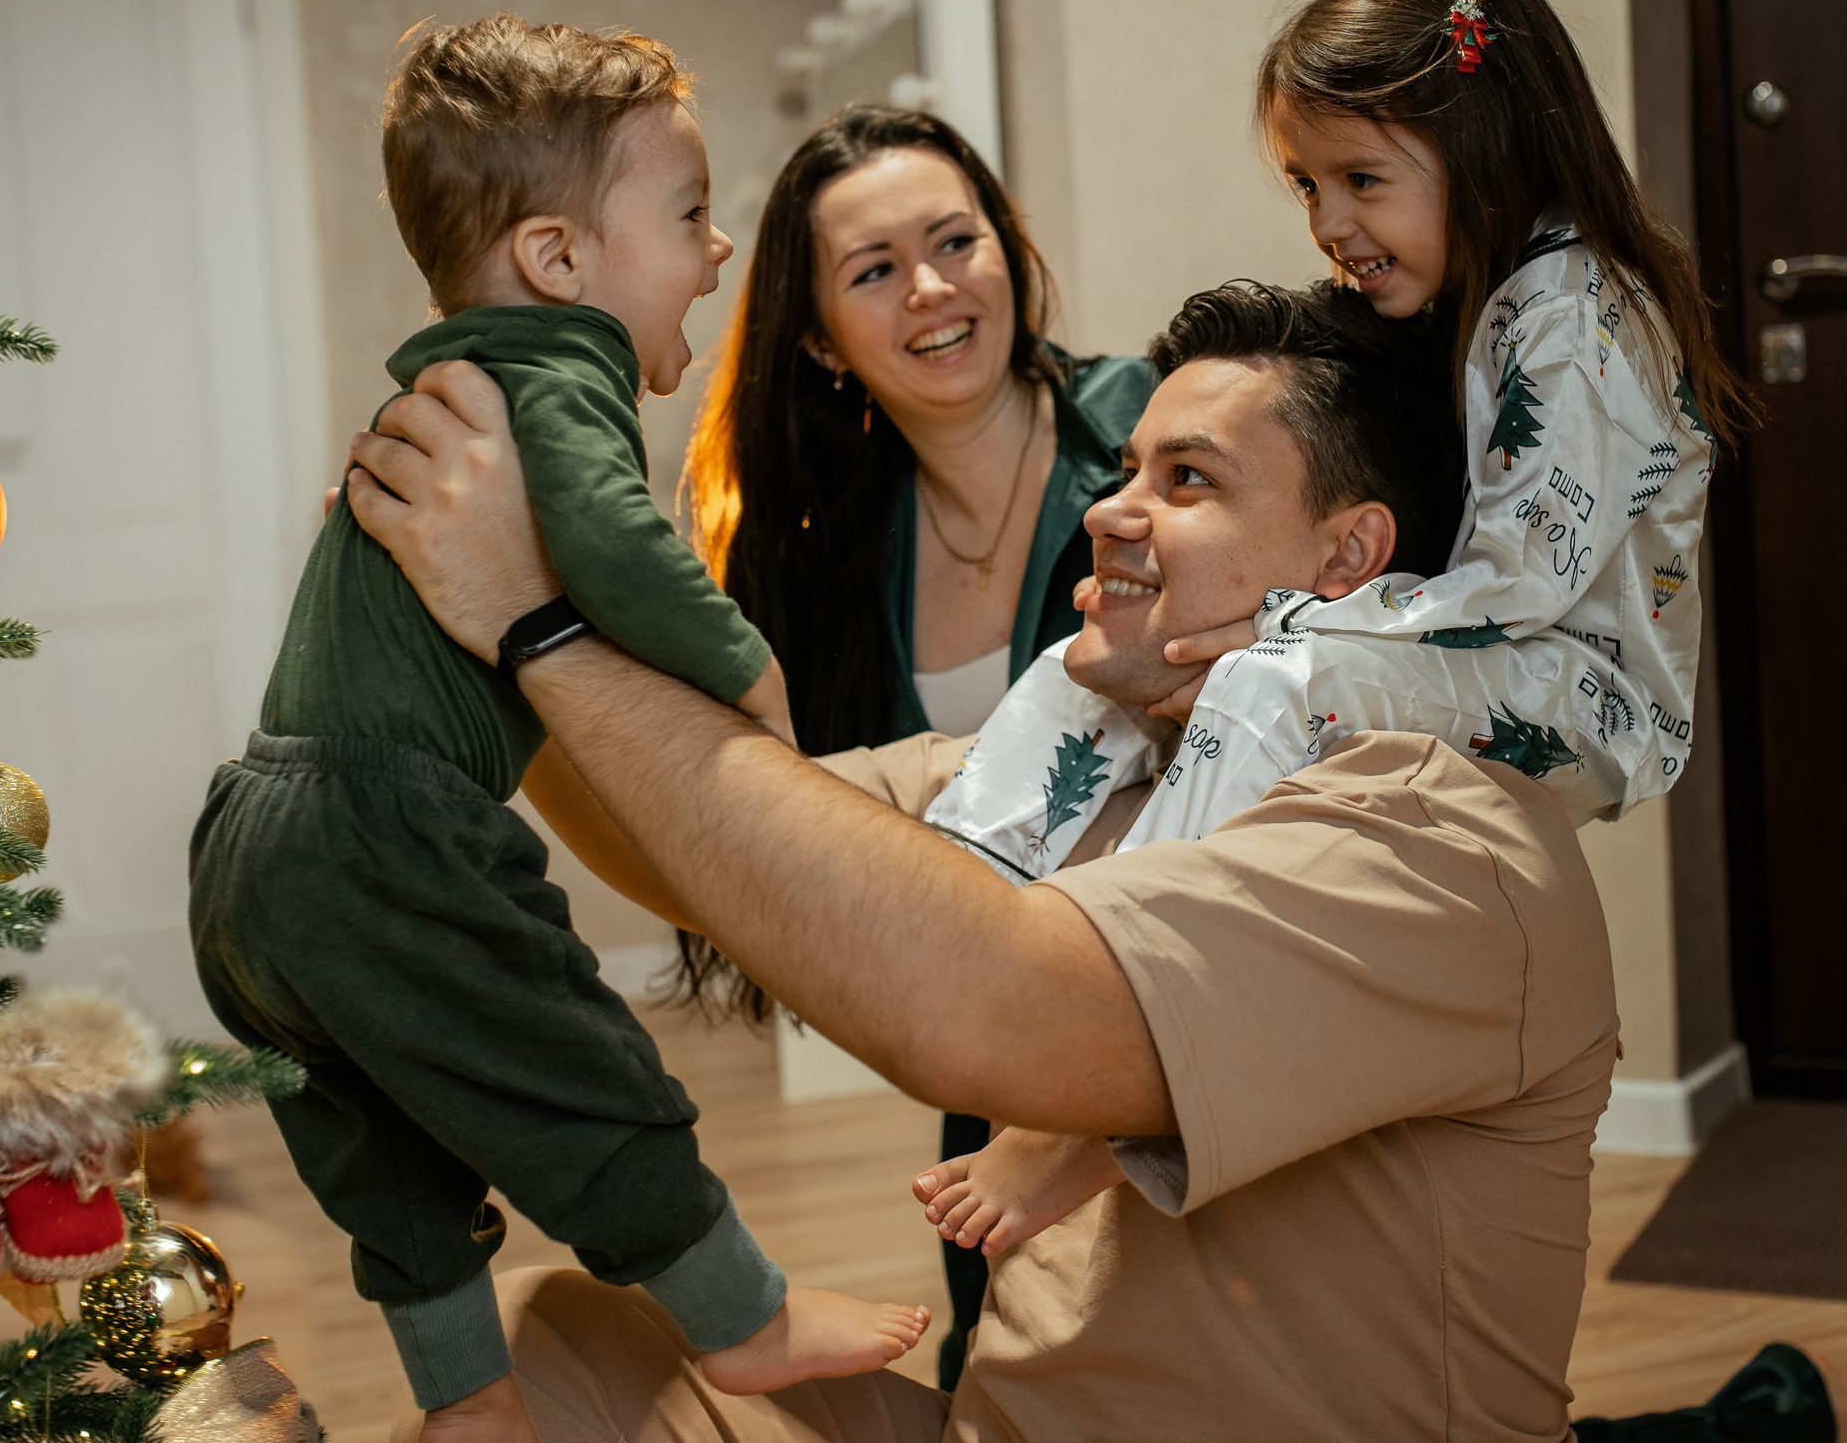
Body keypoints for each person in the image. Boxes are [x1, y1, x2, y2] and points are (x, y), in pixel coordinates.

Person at [334, 292, 1832, 1439]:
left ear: (1348, 557)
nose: (1111, 512)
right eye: (1128, 468)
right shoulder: (1083, 766)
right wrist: (454, 618)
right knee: (543, 1348)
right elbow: (702, 840)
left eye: (1186, 481)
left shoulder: (1435, 837)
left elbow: (980, 1010)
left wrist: (536, 629)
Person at [188, 16, 927, 1431]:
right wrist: (744, 674)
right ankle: (745, 1313)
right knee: (581, 1072)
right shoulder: (557, 370)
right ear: (559, 261)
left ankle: (467, 1397)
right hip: (384, 830)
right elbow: (609, 536)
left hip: (251, 841)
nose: (719, 252)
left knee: (382, 1141)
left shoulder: (449, 386)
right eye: (693, 213)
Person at [931, 0, 1752, 889]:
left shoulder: (1570, 310)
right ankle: (952, 894)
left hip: (1583, 696)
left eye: (1360, 180)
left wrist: (1276, 626)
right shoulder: (1473, 305)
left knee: (1258, 681)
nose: (1327, 224)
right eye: (1306, 185)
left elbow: (1517, 589)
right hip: (1488, 653)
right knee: (1115, 660)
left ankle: (1130, 950)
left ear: (1482, 148)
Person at [671, 107, 1151, 1385]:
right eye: (875, 268)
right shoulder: (819, 551)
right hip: (990, 1038)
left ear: (1008, 250)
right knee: (1006, 1374)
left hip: (1178, 1008)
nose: (933, 288)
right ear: (823, 336)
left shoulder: (1146, 435)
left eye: (956, 240)